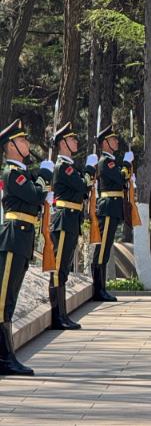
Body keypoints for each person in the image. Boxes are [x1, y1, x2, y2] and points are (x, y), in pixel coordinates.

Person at [0, 119, 53, 375]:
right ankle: (5, 358)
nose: (27, 143)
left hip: (23, 239)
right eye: (22, 140)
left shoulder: (23, 172)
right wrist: (45, 175)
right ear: (10, 145)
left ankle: (6, 356)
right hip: (12, 239)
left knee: (9, 300)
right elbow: (34, 195)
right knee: (3, 301)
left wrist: (42, 178)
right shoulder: (12, 173)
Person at [49, 122, 98, 329]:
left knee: (64, 269)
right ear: (63, 143)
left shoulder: (69, 167)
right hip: (63, 220)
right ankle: (57, 316)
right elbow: (82, 185)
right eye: (71, 139)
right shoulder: (64, 167)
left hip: (71, 219)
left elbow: (82, 190)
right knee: (58, 269)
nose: (76, 141)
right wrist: (89, 168)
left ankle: (62, 314)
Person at [92, 123, 133, 302]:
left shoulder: (111, 161)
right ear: (106, 142)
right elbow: (121, 177)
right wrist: (126, 163)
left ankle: (101, 287)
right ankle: (98, 289)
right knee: (102, 250)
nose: (117, 141)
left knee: (106, 248)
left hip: (113, 208)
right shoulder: (106, 161)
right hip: (108, 207)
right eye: (114, 139)